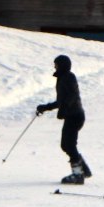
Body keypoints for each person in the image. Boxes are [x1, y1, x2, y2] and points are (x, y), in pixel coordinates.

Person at [36, 55, 91, 185]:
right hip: (71, 115)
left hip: (75, 116)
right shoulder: (62, 78)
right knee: (66, 145)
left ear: (62, 65)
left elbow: (72, 96)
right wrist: (45, 107)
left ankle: (78, 174)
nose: (54, 66)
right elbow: (61, 101)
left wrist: (65, 108)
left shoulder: (69, 77)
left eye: (56, 64)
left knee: (69, 145)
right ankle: (83, 170)